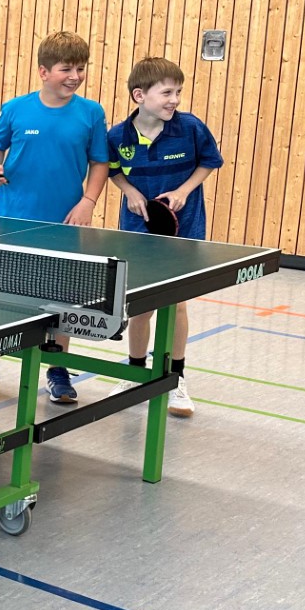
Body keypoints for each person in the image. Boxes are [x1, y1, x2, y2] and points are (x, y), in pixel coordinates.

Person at [0, 31, 111, 406]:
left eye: (81, 68)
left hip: (64, 223)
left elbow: (101, 162)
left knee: (60, 301)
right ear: (43, 71)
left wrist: (88, 201)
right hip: (10, 218)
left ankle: (57, 369)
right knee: (1, 298)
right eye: (66, 68)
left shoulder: (91, 113)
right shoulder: (16, 108)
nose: (75, 76)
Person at [106, 57, 225, 419]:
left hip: (183, 231)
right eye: (167, 93)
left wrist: (185, 190)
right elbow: (113, 171)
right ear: (140, 95)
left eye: (178, 92)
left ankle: (176, 378)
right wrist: (128, 190)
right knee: (140, 305)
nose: (174, 99)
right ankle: (135, 371)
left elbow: (209, 162)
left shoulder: (190, 128)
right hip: (137, 232)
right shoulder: (118, 136)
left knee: (177, 305)